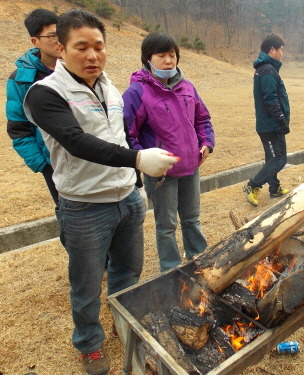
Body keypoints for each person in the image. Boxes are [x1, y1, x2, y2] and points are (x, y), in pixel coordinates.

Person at [23, 10, 178, 375]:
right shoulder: (45, 94)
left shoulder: (110, 87)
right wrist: (139, 159)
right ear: (61, 49)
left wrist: (137, 183)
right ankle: (89, 345)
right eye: (81, 47)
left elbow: (119, 136)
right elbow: (77, 142)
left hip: (127, 200)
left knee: (128, 276)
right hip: (85, 207)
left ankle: (122, 325)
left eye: (98, 46)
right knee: (86, 285)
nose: (92, 55)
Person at [123, 32, 215, 272]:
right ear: (147, 59)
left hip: (191, 166)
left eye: (172, 55)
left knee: (192, 219)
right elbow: (127, 134)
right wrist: (144, 159)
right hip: (162, 173)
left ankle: (198, 260)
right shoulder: (137, 92)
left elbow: (202, 118)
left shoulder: (187, 87)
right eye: (161, 56)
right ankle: (171, 270)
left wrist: (206, 142)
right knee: (166, 225)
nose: (168, 61)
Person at [6, 8, 60, 204]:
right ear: (35, 41)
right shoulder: (21, 80)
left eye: (61, 34)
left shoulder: (77, 68)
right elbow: (18, 129)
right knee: (69, 216)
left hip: (88, 157)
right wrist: (44, 165)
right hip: (53, 163)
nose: (59, 41)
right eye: (52, 36)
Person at [243, 32, 291, 206]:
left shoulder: (266, 68)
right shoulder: (268, 70)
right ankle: (253, 186)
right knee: (279, 159)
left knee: (272, 159)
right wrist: (281, 121)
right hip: (271, 125)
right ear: (272, 49)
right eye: (281, 49)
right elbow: (270, 98)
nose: (282, 53)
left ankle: (274, 188)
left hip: (271, 124)